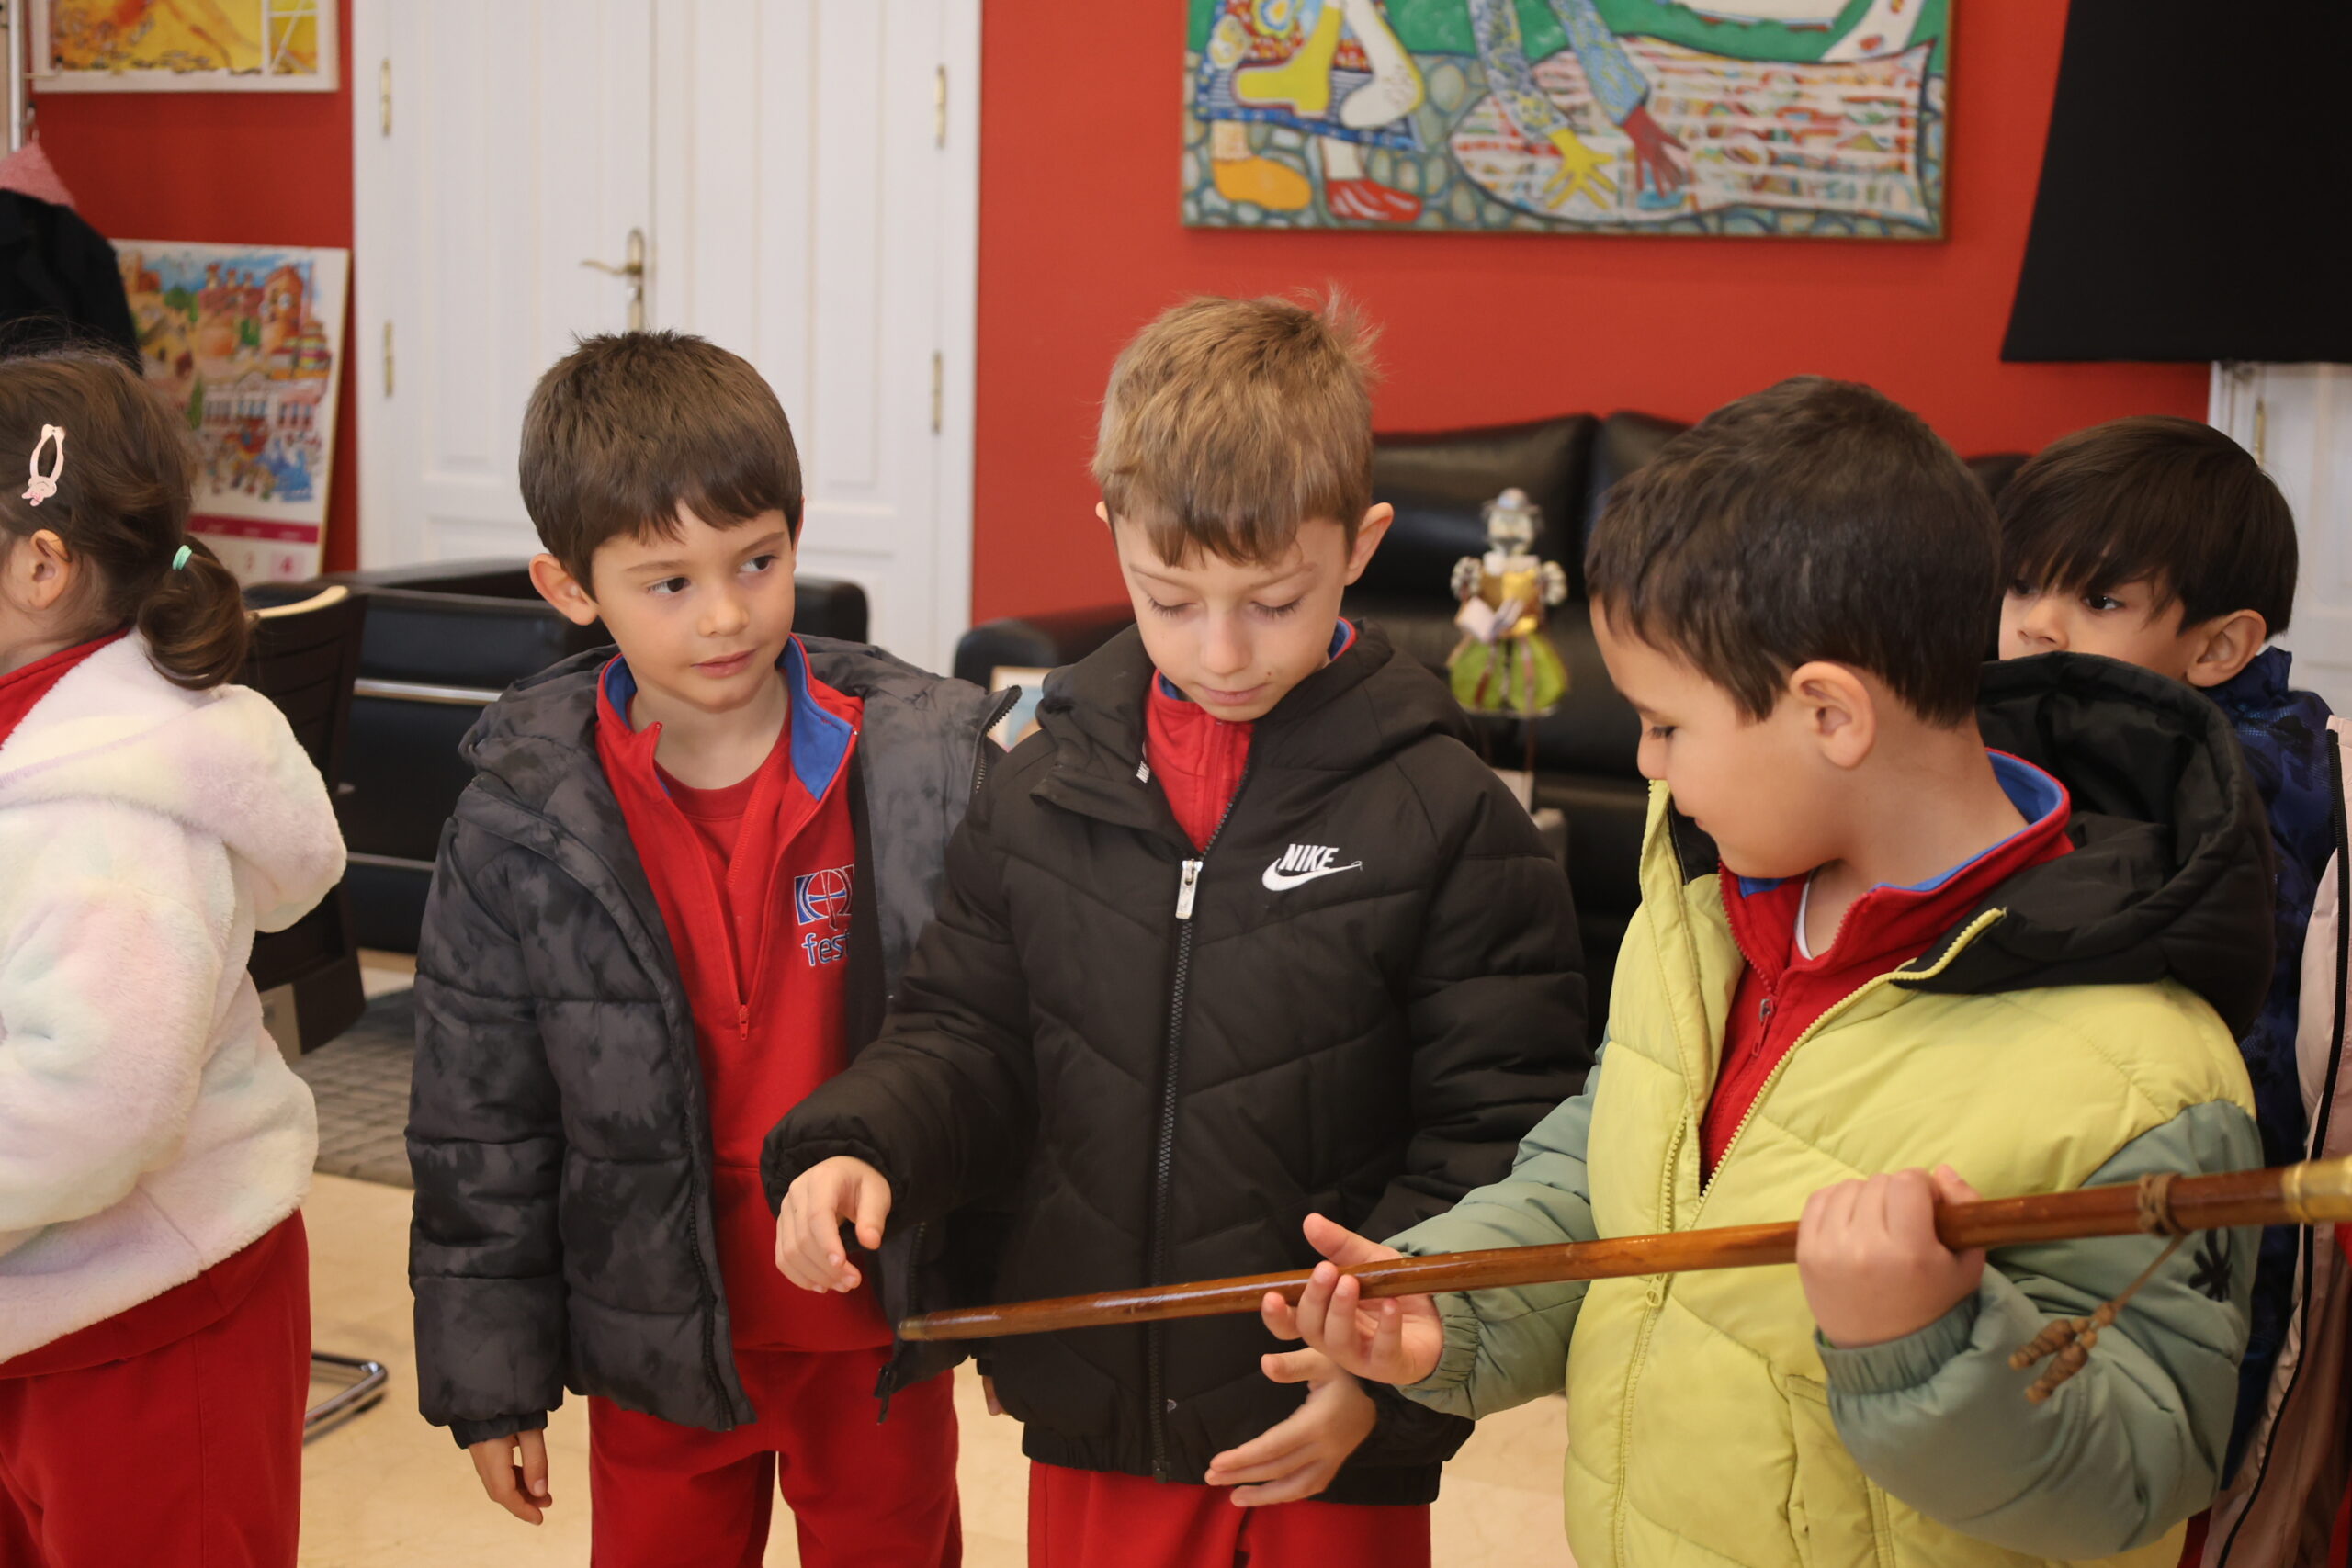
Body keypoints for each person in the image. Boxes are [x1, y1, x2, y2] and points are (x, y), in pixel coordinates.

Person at [1274, 377, 2276, 1568]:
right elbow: (1610, 1166)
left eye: (1667, 724)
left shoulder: (2150, 1075)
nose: (1647, 763)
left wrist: (1919, 1338)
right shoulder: (1706, 900)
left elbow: (2139, 1473)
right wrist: (1461, 1298)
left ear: (1830, 714)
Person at [766, 293, 1587, 1568]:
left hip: (1329, 1424)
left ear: (1361, 544)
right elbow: (965, 1032)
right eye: (1169, 597)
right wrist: (862, 1143)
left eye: (1273, 600)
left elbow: (1495, 1134)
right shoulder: (1037, 781)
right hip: (1096, 1409)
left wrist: (1383, 1383)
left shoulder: (1449, 814)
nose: (1222, 650)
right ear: (1112, 534)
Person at [405, 331, 1009, 1567]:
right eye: (668, 582)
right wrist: (492, 1376)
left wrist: (1013, 1298)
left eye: (758, 561)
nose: (727, 613)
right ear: (570, 587)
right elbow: (479, 1123)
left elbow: (1002, 1043)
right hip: (655, 1337)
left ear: (797, 533)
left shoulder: (930, 769)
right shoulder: (520, 819)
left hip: (877, 1336)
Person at [0, 347, 343, 1566]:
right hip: (45, 1302)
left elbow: (98, 1098)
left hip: (149, 1312)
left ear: (41, 567)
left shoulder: (109, 816)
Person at [1996, 416, 2347, 1566]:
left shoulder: (2222, 798)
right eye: (2023, 585)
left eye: (2097, 601)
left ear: (2218, 645)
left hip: (2194, 1224)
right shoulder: (2071, 742)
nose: (2036, 624)